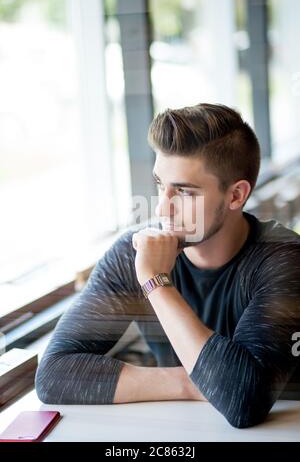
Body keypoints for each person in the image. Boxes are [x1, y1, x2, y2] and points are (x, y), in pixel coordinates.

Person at [35, 103, 300, 428]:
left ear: (235, 196)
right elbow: (53, 375)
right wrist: (193, 382)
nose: (162, 208)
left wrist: (155, 282)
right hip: (184, 431)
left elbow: (243, 403)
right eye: (161, 185)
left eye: (185, 192)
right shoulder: (132, 252)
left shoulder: (284, 259)